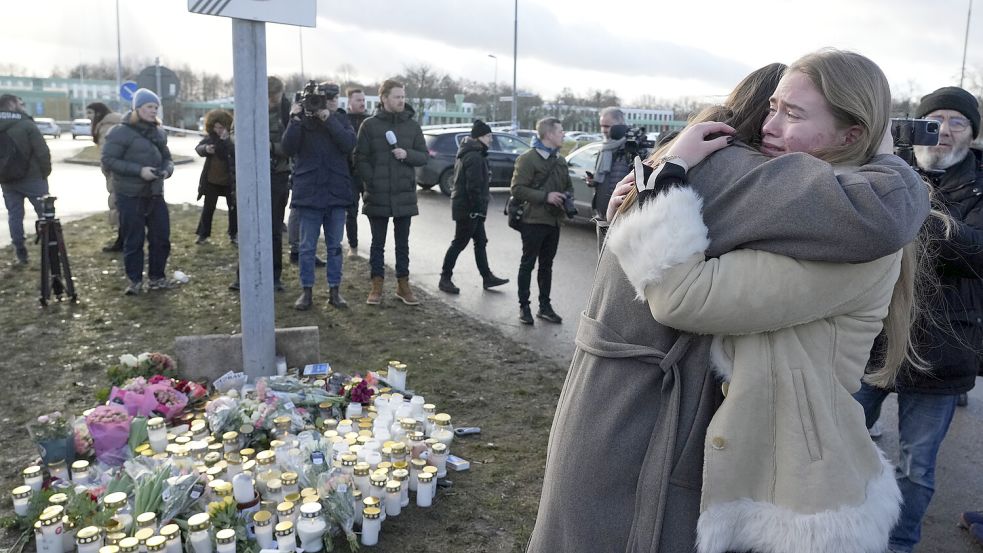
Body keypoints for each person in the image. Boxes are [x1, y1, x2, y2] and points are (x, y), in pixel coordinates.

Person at [526, 51, 931, 553]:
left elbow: (682, 296)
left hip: (792, 487)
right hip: (753, 459)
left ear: (852, 135)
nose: (769, 126)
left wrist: (665, 184)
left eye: (793, 114)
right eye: (773, 107)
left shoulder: (835, 220)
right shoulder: (794, 194)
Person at [852, 85, 983, 553]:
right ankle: (843, 531)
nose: (943, 131)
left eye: (957, 122)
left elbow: (977, 253)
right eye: (933, 120)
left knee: (917, 467)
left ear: (972, 133)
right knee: (840, 442)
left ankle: (899, 545)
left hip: (944, 349)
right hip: (872, 339)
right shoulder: (890, 167)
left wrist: (914, 213)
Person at [281, 82, 356, 310]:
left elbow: (349, 144)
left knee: (335, 247)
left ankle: (334, 291)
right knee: (306, 248)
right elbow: (288, 148)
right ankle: (306, 292)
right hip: (309, 194)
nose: (331, 101)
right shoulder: (302, 121)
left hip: (336, 193)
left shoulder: (341, 119)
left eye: (334, 98)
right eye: (326, 98)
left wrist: (328, 119)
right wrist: (294, 119)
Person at [354, 79, 428, 306]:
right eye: (397, 96)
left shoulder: (412, 126)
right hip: (378, 194)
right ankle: (376, 286)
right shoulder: (369, 125)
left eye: (403, 96)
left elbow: (423, 156)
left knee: (402, 244)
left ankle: (403, 286)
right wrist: (372, 181)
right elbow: (360, 158)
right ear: (384, 98)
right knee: (377, 244)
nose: (401, 100)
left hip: (404, 194)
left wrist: (407, 154)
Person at [101, 88, 174, 296]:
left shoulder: (159, 132)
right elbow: (108, 160)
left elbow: (167, 158)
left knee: (161, 238)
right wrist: (139, 171)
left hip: (155, 193)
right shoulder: (119, 132)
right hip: (130, 195)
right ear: (137, 108)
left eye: (156, 107)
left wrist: (167, 170)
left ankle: (157, 278)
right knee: (134, 240)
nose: (153, 111)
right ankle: (135, 281)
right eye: (149, 107)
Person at [509, 117, 574, 325]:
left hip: (554, 221)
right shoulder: (528, 159)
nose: (563, 134)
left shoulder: (560, 160)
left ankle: (544, 307)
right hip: (533, 220)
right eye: (560, 131)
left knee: (547, 266)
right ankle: (524, 307)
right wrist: (546, 196)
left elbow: (568, 186)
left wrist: (566, 197)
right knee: (527, 264)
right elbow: (517, 189)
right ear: (549, 134)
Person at [231, 76, 293, 292]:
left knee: (274, 228)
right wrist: (248, 143)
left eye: (275, 97)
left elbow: (292, 144)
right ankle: (243, 276)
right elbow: (234, 134)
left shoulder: (288, 112)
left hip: (278, 175)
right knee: (248, 227)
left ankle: (274, 276)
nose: (272, 101)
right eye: (268, 97)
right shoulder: (246, 107)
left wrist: (271, 147)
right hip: (251, 174)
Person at [437, 119, 510, 294]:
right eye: (488, 136)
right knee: (459, 243)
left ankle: (487, 277)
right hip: (468, 208)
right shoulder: (474, 156)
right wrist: (477, 209)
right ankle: (445, 278)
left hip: (469, 207)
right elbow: (474, 186)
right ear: (479, 137)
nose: (491, 139)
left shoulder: (472, 153)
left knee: (480, 242)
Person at [0, 94, 50, 265]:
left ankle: (21, 253)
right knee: (45, 214)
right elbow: (42, 151)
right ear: (12, 104)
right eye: (20, 103)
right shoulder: (26, 124)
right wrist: (45, 173)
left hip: (6, 179)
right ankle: (50, 250)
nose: (23, 106)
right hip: (33, 178)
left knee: (14, 216)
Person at [587, 106, 630, 248]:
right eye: (601, 126)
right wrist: (594, 181)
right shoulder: (605, 148)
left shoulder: (629, 149)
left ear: (620, 125)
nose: (603, 130)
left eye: (607, 126)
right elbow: (605, 178)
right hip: (602, 214)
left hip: (619, 216)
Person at [194, 109, 236, 246]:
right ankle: (202, 234)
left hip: (229, 181)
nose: (218, 130)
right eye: (216, 127)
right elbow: (198, 148)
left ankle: (234, 234)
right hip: (211, 181)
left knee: (233, 209)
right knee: (208, 208)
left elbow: (234, 152)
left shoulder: (232, 139)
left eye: (221, 127)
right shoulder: (211, 138)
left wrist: (226, 141)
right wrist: (206, 149)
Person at [87, 102, 123, 252]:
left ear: (98, 113)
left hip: (116, 172)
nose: (88, 116)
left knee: (118, 205)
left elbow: (106, 154)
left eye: (90, 113)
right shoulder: (113, 122)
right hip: (119, 170)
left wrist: (107, 169)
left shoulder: (106, 126)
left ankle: (123, 241)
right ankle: (123, 239)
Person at [344, 88, 369, 258]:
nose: (362, 103)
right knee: (351, 212)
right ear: (350, 102)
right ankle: (353, 247)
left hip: (367, 174)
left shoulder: (370, 121)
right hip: (350, 174)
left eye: (363, 100)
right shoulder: (344, 120)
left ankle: (376, 248)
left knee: (374, 211)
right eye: (358, 100)